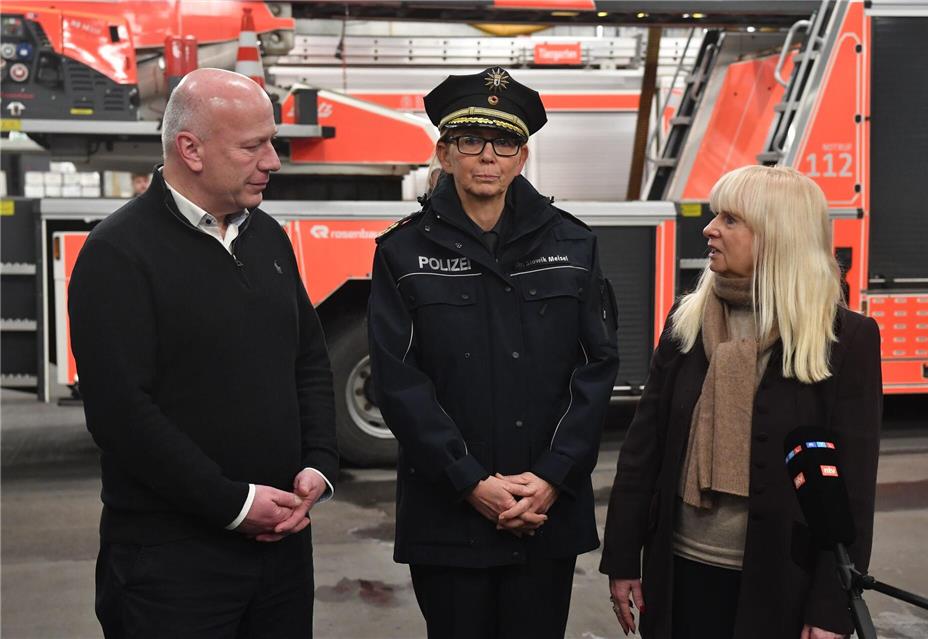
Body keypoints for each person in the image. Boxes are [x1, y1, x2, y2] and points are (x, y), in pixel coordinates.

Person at [68, 68, 338, 639]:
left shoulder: (267, 238)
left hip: (283, 552)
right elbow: (122, 415)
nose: (273, 161)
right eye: (252, 146)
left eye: (272, 142)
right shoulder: (118, 253)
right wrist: (233, 504)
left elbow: (308, 359)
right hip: (172, 564)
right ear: (190, 149)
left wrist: (317, 463)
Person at [368, 67, 619, 639]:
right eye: (469, 140)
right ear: (445, 151)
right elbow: (398, 381)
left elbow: (597, 369)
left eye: (504, 142)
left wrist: (553, 477)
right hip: (451, 515)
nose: (488, 156)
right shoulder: (402, 251)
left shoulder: (573, 244)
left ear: (522, 156)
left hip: (544, 512)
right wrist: (470, 481)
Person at [600, 165, 882, 639]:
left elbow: (852, 488)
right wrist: (624, 558)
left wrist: (831, 608)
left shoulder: (844, 339)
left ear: (778, 235)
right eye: (715, 216)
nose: (709, 229)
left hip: (779, 584)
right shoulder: (685, 322)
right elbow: (642, 451)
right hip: (679, 571)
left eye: (730, 220)